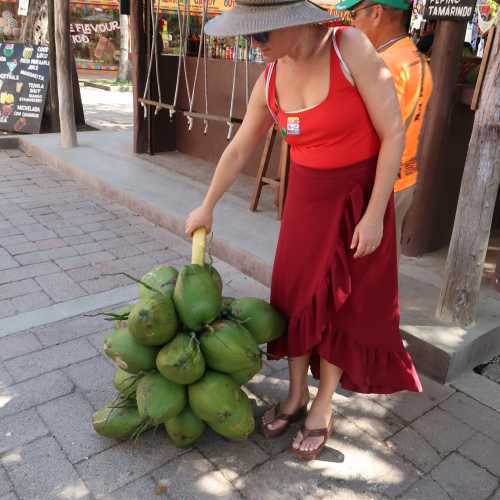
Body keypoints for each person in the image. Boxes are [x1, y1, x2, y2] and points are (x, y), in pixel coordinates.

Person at [185, 0, 422, 461]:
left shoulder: (347, 46)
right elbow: (237, 150)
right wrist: (206, 205)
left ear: (290, 22)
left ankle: (323, 405)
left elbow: (393, 131)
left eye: (259, 36)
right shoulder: (271, 76)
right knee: (294, 299)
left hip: (357, 201)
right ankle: (295, 394)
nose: (254, 47)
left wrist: (375, 213)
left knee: (342, 307)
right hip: (304, 202)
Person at [336, 0, 433, 256]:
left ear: (376, 13)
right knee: (381, 262)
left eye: (354, 14)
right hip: (404, 178)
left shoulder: (384, 65)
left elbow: (373, 133)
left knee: (362, 267)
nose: (351, 22)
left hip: (380, 184)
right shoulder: (415, 58)